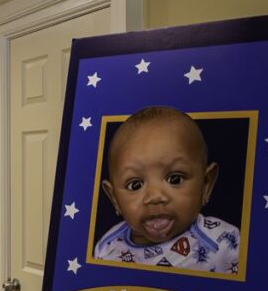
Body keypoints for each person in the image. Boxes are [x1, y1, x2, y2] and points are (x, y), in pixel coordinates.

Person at [93, 106, 240, 274]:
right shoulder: (107, 250)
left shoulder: (225, 244)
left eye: (174, 179)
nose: (155, 197)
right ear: (114, 199)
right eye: (135, 185)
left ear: (206, 184)